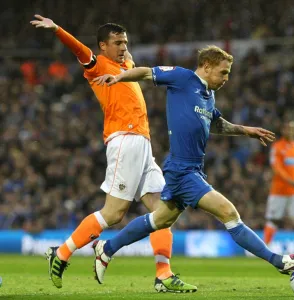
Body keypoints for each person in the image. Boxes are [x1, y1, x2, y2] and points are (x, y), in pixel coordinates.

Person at [91, 45, 294, 289]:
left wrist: (247, 131)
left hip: (192, 169)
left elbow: (217, 125)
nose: (226, 79)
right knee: (228, 212)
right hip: (182, 169)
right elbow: (146, 73)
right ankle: (279, 261)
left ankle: (107, 248)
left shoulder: (208, 96)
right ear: (207, 66)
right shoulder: (183, 78)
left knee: (159, 220)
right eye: (223, 72)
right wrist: (119, 76)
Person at [30, 15, 197, 293]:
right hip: (124, 140)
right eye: (117, 42)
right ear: (102, 46)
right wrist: (58, 29)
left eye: (125, 42)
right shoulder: (97, 66)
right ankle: (60, 254)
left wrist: (127, 52)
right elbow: (79, 50)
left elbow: (130, 58)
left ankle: (163, 275)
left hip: (143, 142)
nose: (122, 47)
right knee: (114, 213)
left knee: (164, 212)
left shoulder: (126, 66)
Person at [264, 120, 294, 245]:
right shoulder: (277, 147)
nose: (289, 131)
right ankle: (266, 248)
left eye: (291, 128)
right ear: (283, 130)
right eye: (287, 128)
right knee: (273, 220)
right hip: (279, 191)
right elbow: (277, 168)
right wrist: (291, 181)